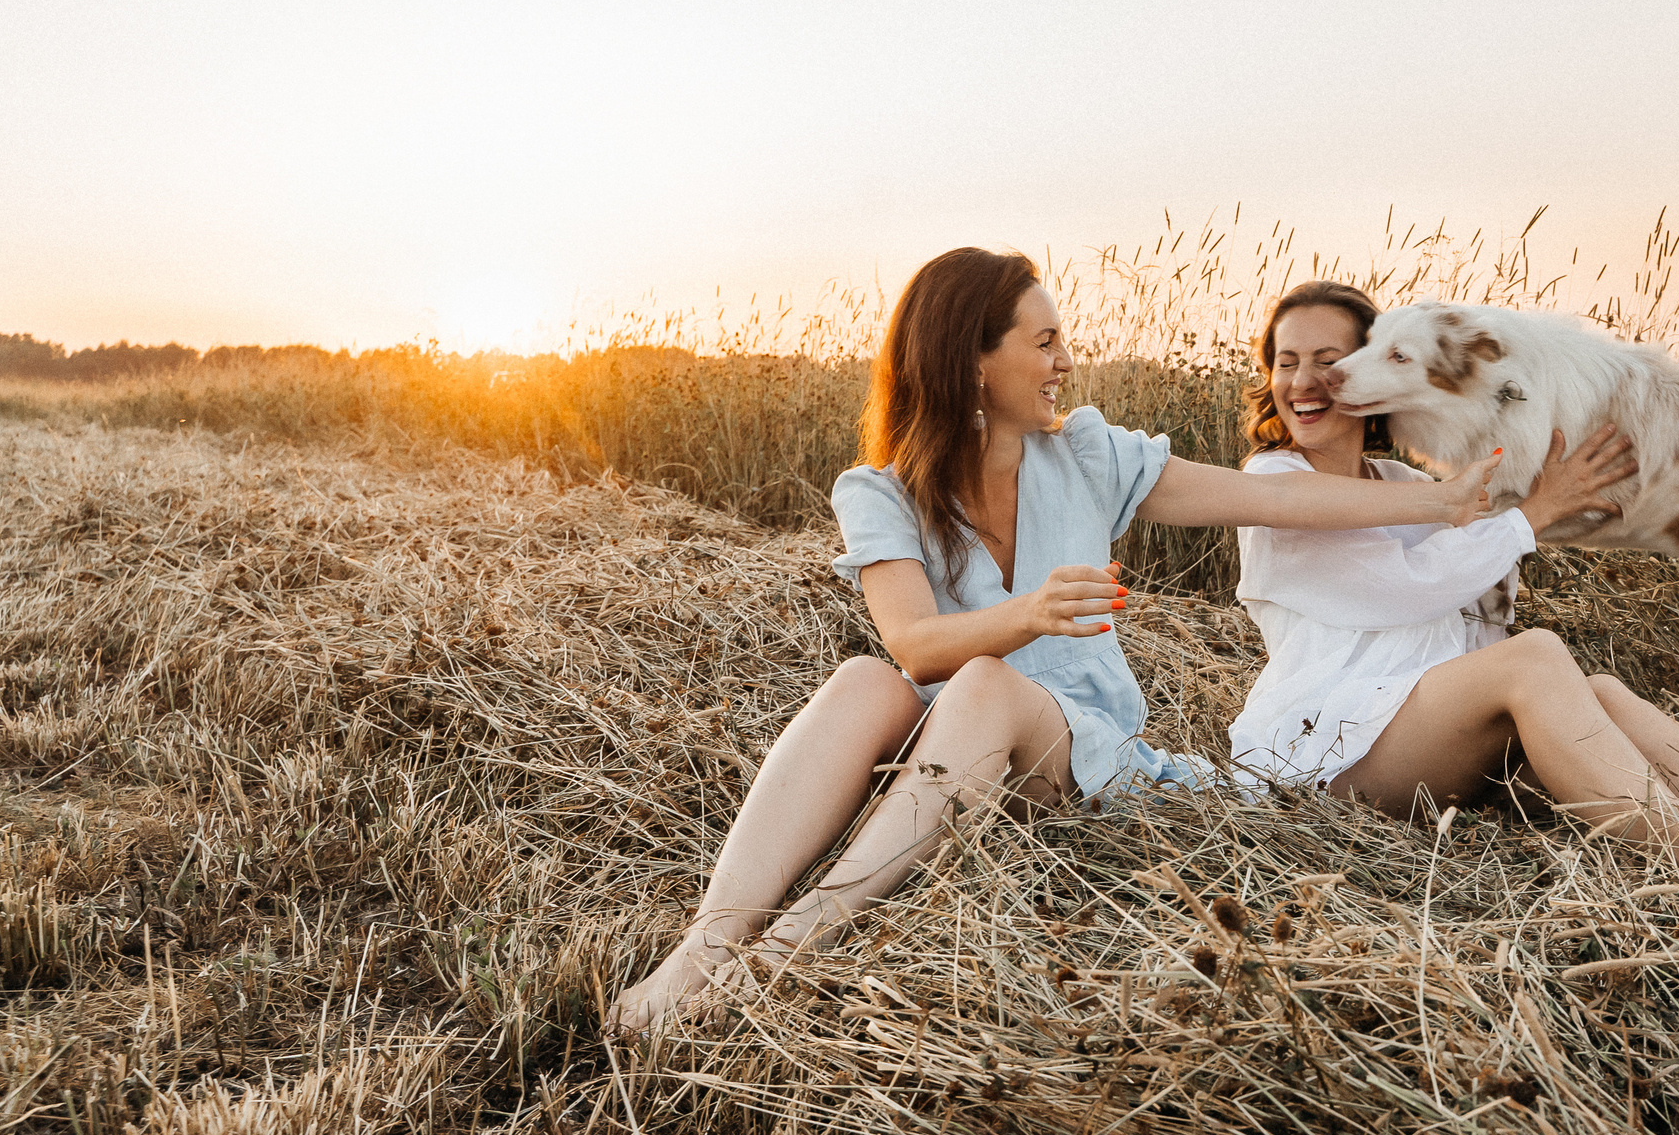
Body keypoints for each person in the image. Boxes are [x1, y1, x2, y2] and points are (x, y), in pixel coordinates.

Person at [610, 249, 1503, 1032]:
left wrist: (1439, 500)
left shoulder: (1084, 455)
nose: (1065, 361)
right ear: (972, 362)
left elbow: (1274, 498)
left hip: (1081, 760)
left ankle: (786, 954)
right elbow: (915, 645)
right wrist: (1028, 613)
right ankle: (707, 944)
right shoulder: (878, 490)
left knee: (990, 684)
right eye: (1043, 343)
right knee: (862, 680)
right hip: (947, 739)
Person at [1227, 280, 1679, 875]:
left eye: (1328, 361)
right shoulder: (1271, 483)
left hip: (1434, 742)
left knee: (1603, 693)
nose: (1308, 381)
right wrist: (1534, 512)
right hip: (1327, 751)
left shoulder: (1407, 486)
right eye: (1287, 362)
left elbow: (1482, 617)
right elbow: (1406, 588)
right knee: (1534, 658)